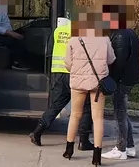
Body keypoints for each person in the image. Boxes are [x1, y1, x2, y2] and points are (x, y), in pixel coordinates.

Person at [28, 20, 94, 150]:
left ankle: (37, 132)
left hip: (58, 74)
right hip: (75, 73)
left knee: (56, 105)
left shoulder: (58, 31)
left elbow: (49, 50)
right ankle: (84, 141)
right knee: (86, 107)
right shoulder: (82, 34)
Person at [62, 11, 116, 166]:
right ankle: (97, 157)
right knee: (98, 118)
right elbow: (111, 59)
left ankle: (69, 149)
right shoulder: (104, 39)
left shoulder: (74, 39)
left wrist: (77, 70)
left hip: (78, 83)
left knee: (75, 115)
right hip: (98, 84)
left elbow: (68, 63)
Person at [101, 5, 139, 160]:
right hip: (129, 78)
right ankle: (129, 146)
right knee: (123, 112)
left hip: (121, 80)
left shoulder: (118, 35)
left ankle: (120, 148)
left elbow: (119, 61)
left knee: (119, 114)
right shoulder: (130, 32)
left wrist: (111, 79)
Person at [0, 0, 30, 70]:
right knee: (16, 41)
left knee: (24, 34)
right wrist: (12, 34)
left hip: (6, 33)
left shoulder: (3, 9)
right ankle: (16, 62)